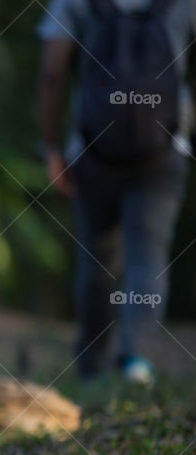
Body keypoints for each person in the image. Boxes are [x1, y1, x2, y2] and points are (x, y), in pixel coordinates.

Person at [37, 0, 193, 385]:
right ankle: (136, 359)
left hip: (92, 148)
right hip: (166, 144)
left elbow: (52, 72)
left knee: (96, 260)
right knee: (149, 256)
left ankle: (92, 365)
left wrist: (52, 147)